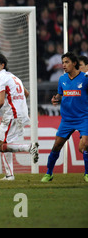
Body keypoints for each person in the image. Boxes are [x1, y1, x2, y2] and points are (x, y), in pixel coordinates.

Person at [0, 53, 39, 181]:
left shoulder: (1, 78)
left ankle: (29, 147)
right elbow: (26, 93)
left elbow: (0, 101)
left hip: (13, 115)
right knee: (5, 144)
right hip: (20, 113)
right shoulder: (12, 76)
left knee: (0, 145)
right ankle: (9, 175)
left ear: (2, 65)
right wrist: (17, 104)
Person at [41, 52, 88, 183]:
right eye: (63, 62)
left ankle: (87, 173)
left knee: (86, 144)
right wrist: (56, 99)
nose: (63, 65)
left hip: (83, 118)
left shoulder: (85, 78)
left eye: (66, 62)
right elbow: (60, 95)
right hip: (67, 119)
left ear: (74, 63)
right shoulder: (62, 79)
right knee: (57, 145)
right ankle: (49, 173)